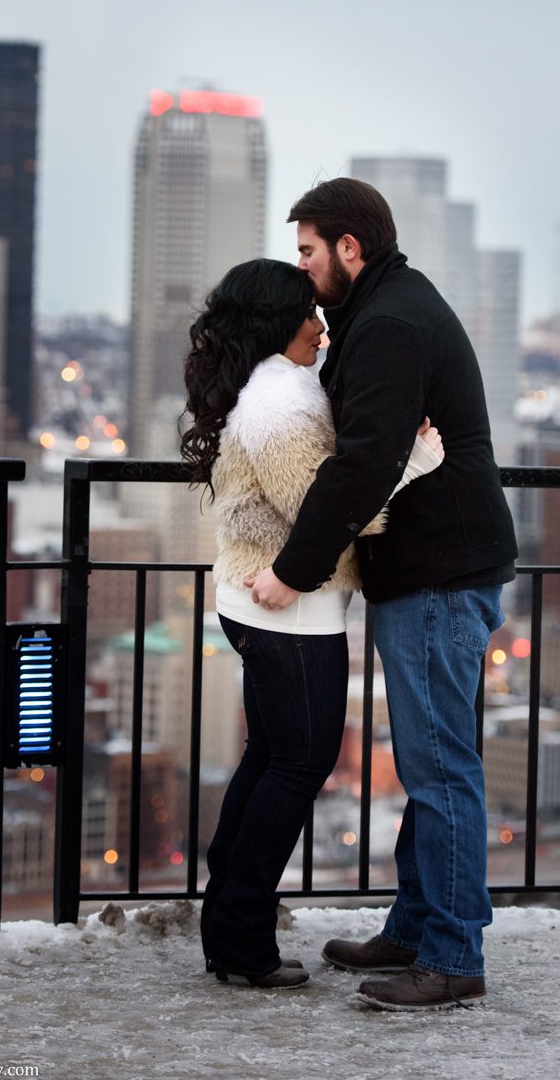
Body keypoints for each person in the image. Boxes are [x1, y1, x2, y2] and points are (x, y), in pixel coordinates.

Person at [247, 178, 518, 1010]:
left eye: (308, 251)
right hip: (432, 569)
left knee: (440, 768)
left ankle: (451, 956)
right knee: (428, 762)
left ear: (349, 250)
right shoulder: (386, 310)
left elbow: (362, 464)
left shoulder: (391, 325)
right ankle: (415, 927)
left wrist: (291, 571)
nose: (303, 268)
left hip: (438, 573)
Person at [181, 258, 444, 989]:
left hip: (260, 603)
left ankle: (228, 929)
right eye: (307, 312)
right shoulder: (282, 404)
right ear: (274, 321)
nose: (321, 326)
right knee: (297, 765)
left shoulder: (272, 388)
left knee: (270, 760)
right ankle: (240, 940)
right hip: (290, 612)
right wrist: (414, 464)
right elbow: (325, 512)